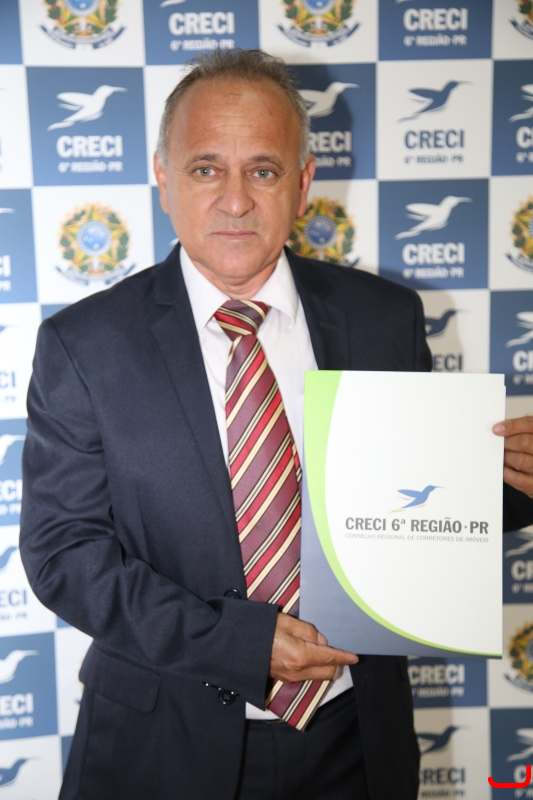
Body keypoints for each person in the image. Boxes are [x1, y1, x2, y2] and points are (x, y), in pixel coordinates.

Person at [19, 50, 533, 800]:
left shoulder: (382, 318)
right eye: (205, 169)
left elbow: (418, 506)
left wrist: (512, 486)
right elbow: (64, 554)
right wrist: (238, 643)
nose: (235, 200)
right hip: (161, 746)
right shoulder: (85, 345)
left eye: (262, 170)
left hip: (356, 740)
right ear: (162, 177)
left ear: (302, 183)